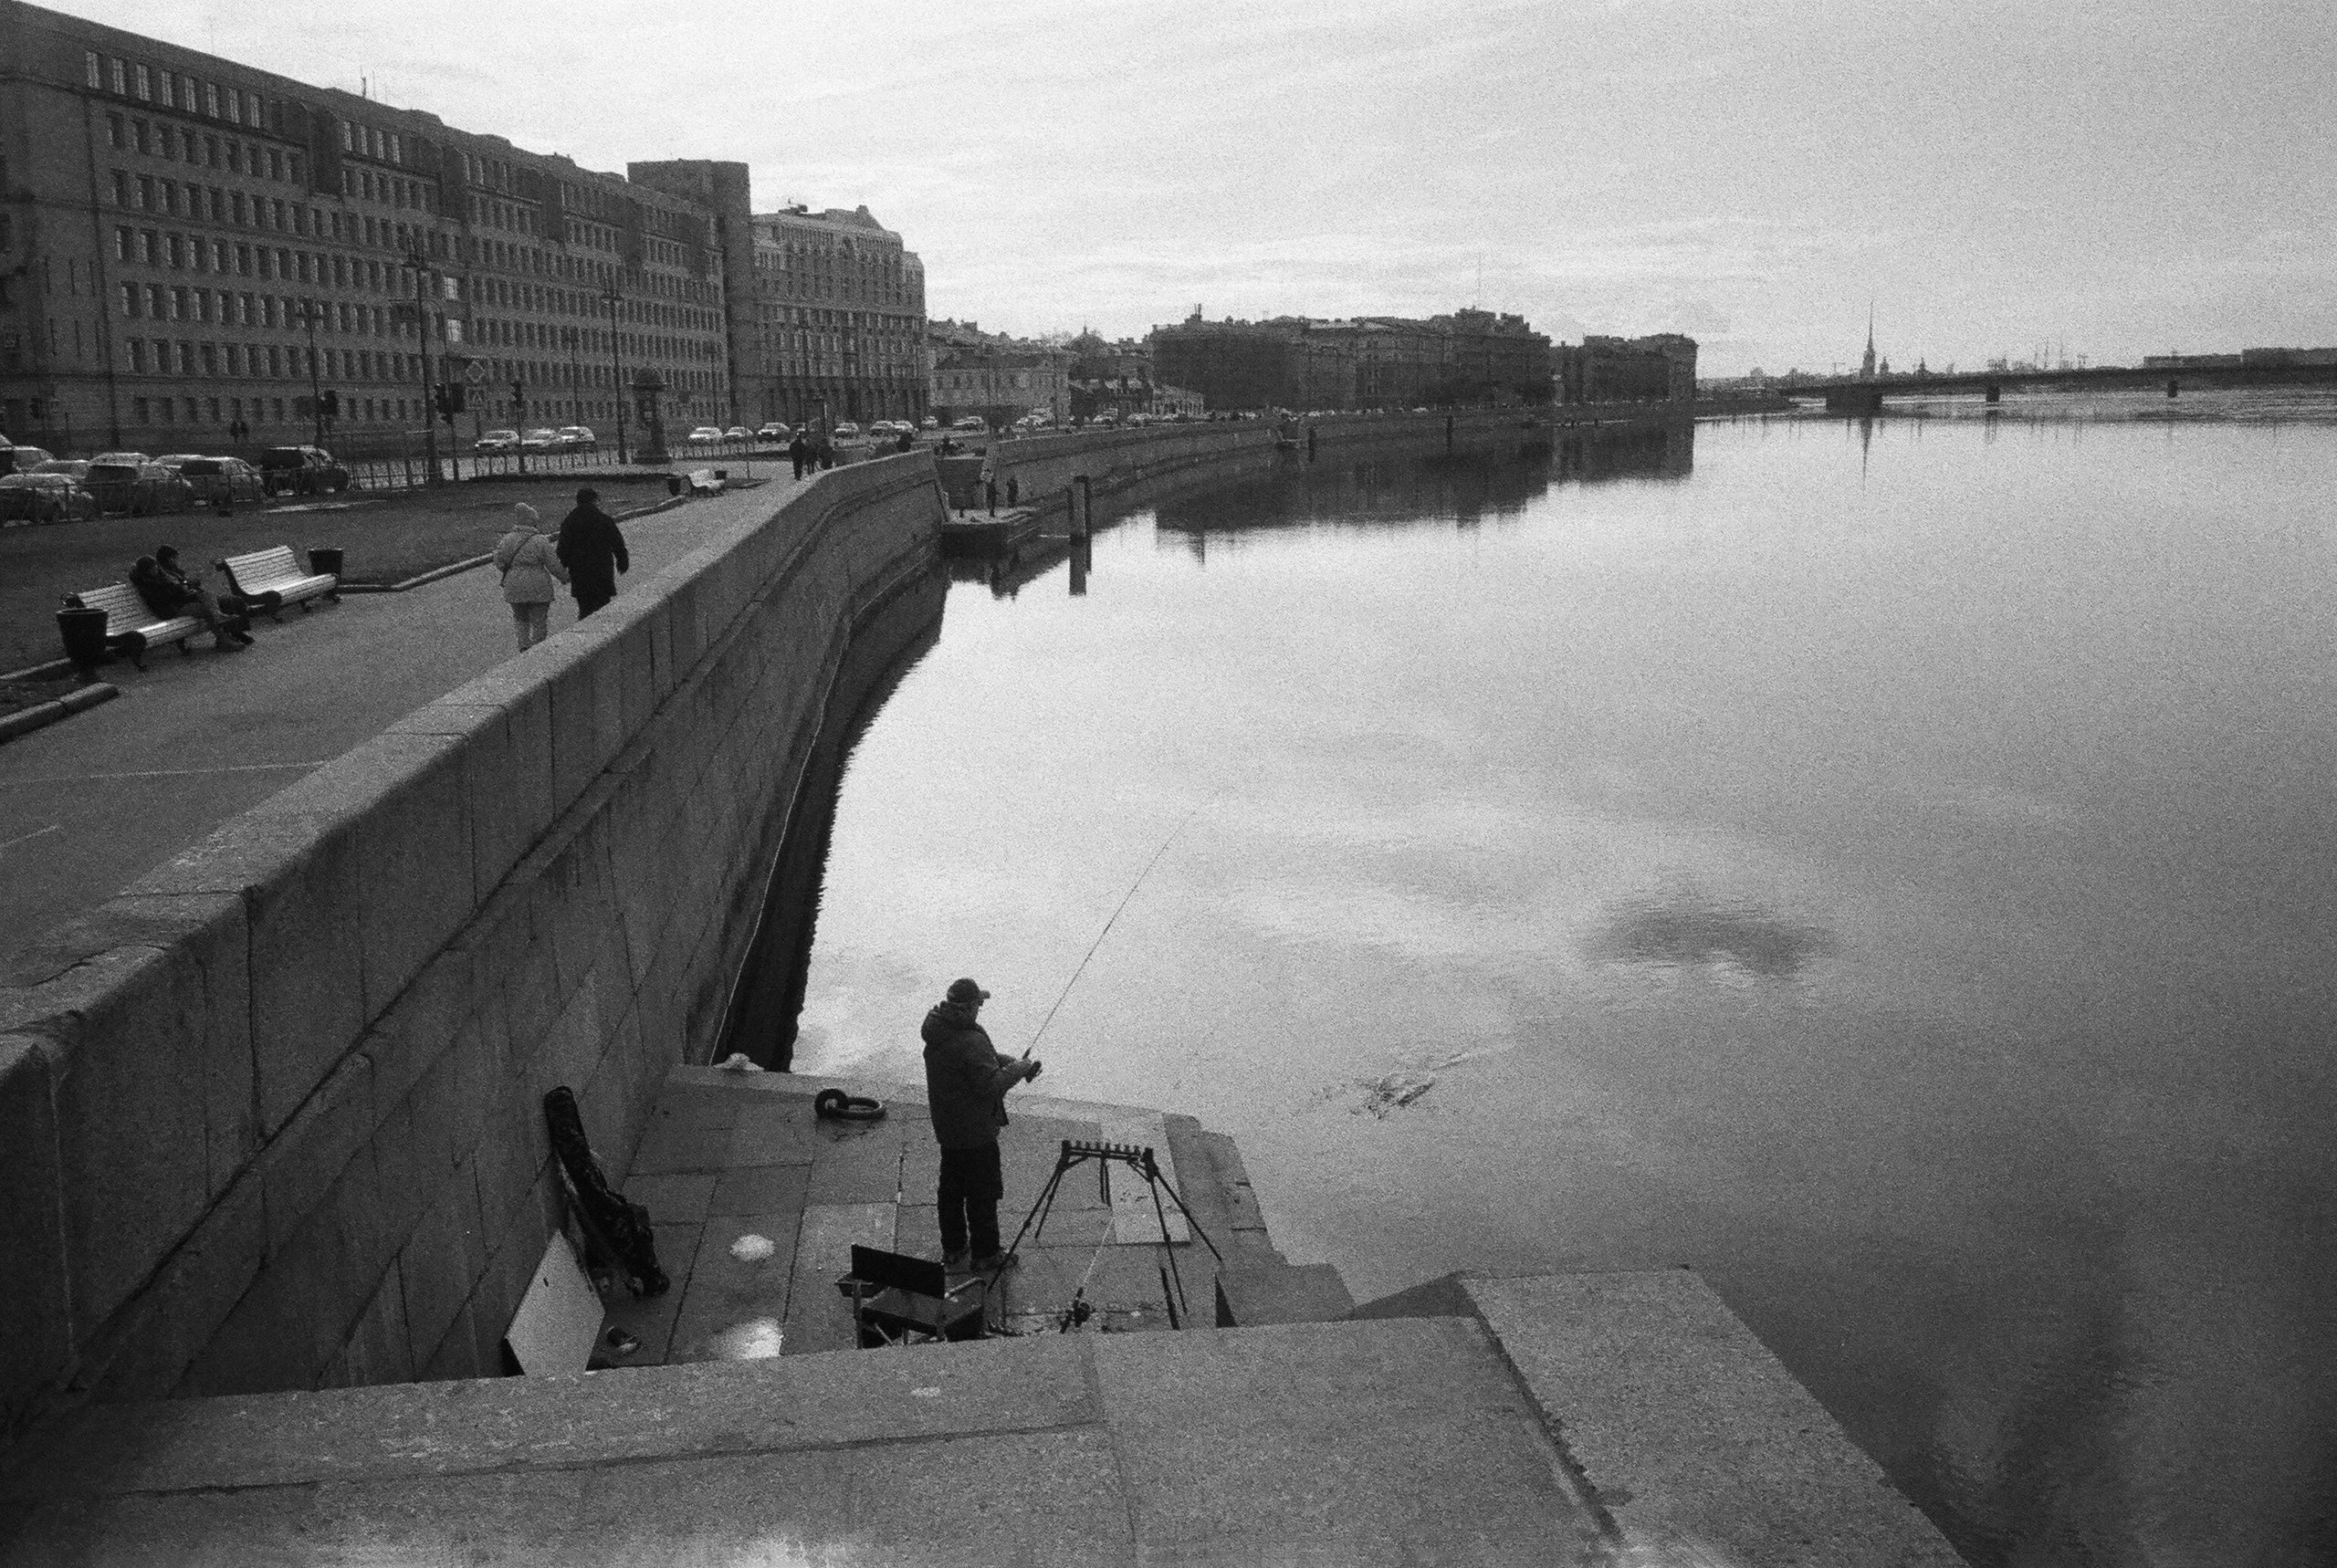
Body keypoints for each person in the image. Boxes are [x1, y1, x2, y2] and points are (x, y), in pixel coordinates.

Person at [920, 977, 1043, 1271]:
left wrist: (1011, 1063)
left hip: (949, 1129)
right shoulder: (968, 1039)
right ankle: (986, 1254)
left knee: (950, 1191)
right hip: (976, 1133)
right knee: (983, 1193)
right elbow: (990, 1086)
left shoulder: (939, 1029)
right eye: (979, 1004)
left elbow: (979, 1062)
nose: (981, 1008)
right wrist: (1021, 1068)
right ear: (969, 1007)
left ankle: (953, 1248)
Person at [130, 546, 249, 651]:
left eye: (155, 567)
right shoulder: (146, 584)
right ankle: (224, 638)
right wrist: (182, 590)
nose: (155, 570)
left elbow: (179, 586)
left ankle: (226, 636)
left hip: (180, 602)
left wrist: (185, 589)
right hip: (171, 609)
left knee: (212, 600)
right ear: (145, 571)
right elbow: (162, 599)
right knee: (206, 608)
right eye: (151, 569)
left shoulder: (164, 576)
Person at [493, 502, 567, 650]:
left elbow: (499, 561)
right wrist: (565, 577)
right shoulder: (540, 540)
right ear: (533, 521)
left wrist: (513, 571)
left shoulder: (506, 540)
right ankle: (538, 647)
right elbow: (553, 564)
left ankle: (524, 645)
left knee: (521, 619)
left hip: (514, 585)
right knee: (539, 620)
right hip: (538, 585)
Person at [556, 486, 629, 619]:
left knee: (584, 608)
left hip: (579, 572)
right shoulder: (603, 519)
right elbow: (617, 543)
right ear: (594, 501)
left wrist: (564, 566)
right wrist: (622, 562)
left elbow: (562, 549)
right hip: (602, 570)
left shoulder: (569, 522)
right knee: (603, 608)